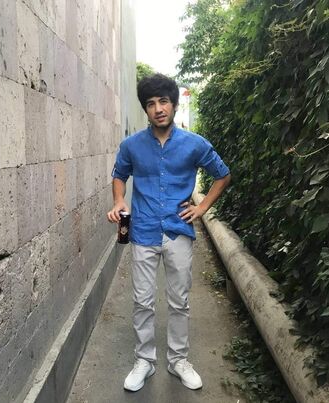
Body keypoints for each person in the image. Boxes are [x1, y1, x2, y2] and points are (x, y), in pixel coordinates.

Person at [107, 73, 231, 392]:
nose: (158, 109)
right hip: (143, 231)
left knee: (179, 300)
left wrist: (201, 209)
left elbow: (222, 174)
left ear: (174, 105)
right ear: (146, 110)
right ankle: (144, 361)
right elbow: (119, 174)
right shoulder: (132, 146)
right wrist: (119, 200)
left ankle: (178, 360)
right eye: (151, 104)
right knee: (142, 300)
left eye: (163, 101)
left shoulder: (194, 144)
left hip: (178, 231)